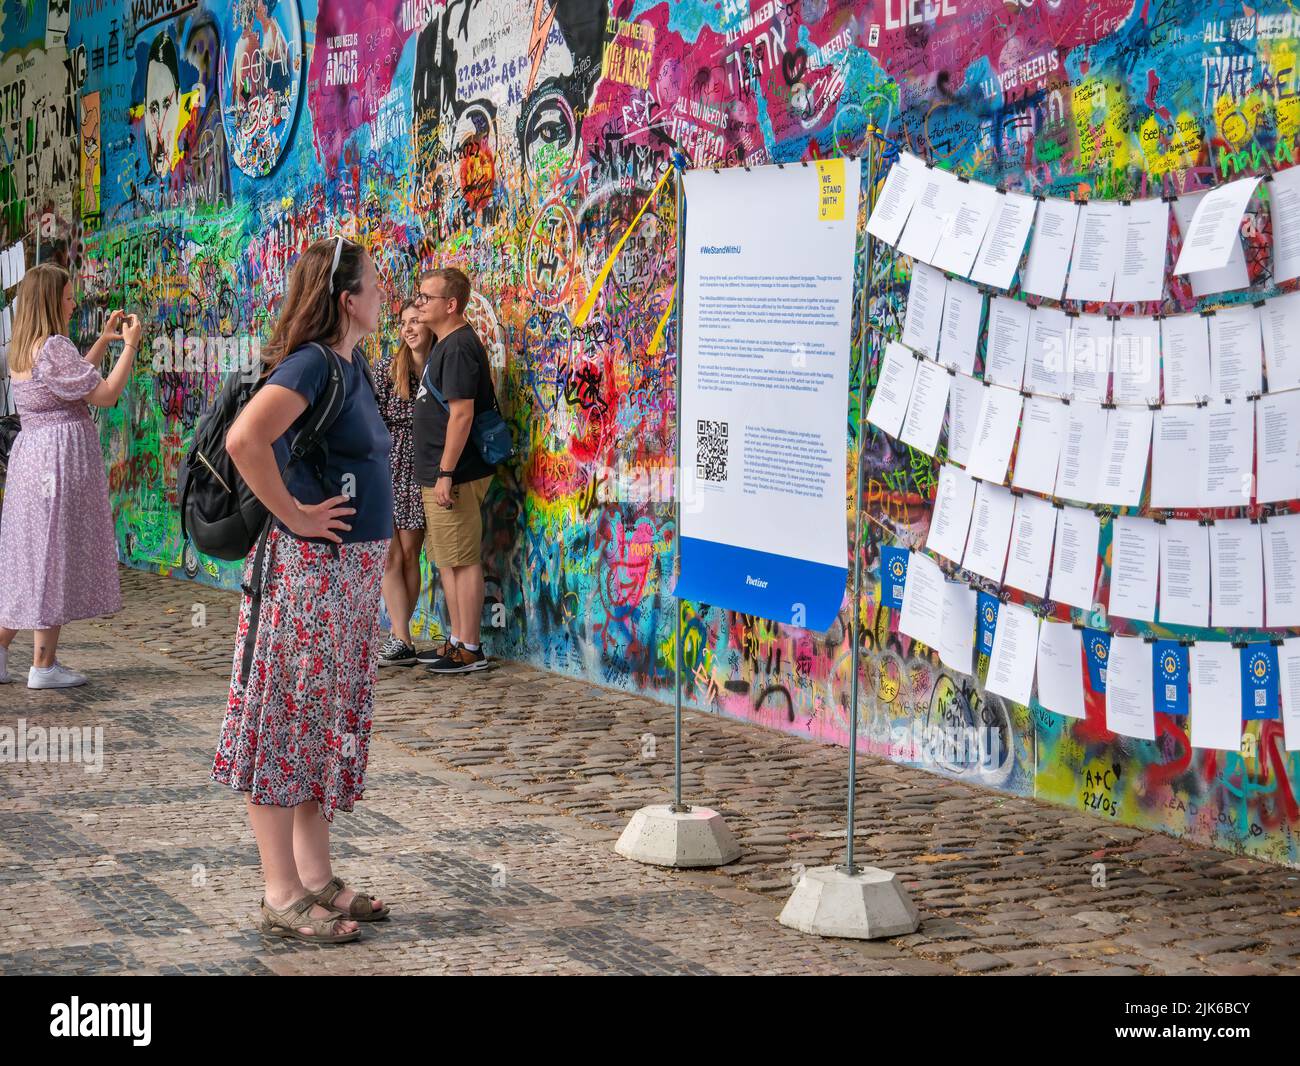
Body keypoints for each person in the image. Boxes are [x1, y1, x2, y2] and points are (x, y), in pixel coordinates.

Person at [211, 236, 393, 943]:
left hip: (344, 586)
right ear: (347, 300)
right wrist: (295, 515)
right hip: (306, 583)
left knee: (322, 728)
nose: (385, 296)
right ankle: (281, 892)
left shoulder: (354, 362)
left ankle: (316, 879)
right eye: (375, 286)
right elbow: (245, 440)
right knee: (285, 727)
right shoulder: (314, 363)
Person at [0, 264, 141, 688]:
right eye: (66, 296)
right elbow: (105, 395)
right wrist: (130, 347)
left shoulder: (24, 348)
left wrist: (102, 341)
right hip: (58, 463)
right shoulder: (54, 345)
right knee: (52, 556)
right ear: (50, 300)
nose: (73, 302)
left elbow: (71, 381)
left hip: (32, 462)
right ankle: (43, 665)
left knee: (29, 558)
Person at [412, 267, 497, 673]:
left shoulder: (460, 346)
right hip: (441, 472)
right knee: (448, 558)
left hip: (457, 474)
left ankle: (471, 648)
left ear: (450, 304)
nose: (419, 303)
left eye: (426, 297)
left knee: (462, 558)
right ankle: (457, 640)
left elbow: (462, 415)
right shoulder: (445, 344)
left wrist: (446, 471)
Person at [373, 299, 435, 666]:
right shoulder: (386, 369)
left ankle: (401, 639)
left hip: (420, 465)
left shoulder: (438, 369)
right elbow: (371, 417)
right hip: (386, 464)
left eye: (416, 321)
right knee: (389, 556)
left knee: (411, 554)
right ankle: (402, 638)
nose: (410, 328)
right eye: (404, 323)